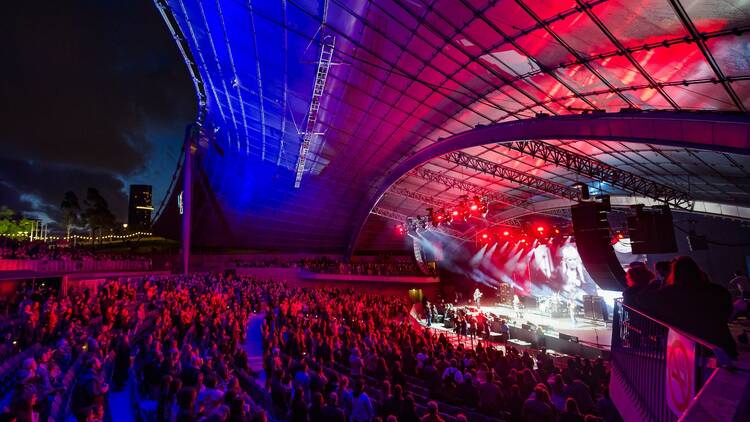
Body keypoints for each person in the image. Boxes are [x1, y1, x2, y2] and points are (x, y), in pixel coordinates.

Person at [640, 256, 737, 359]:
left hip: (685, 345)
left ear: (674, 273)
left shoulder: (669, 293)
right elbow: (727, 312)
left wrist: (651, 283)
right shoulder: (717, 290)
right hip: (720, 342)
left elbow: (643, 300)